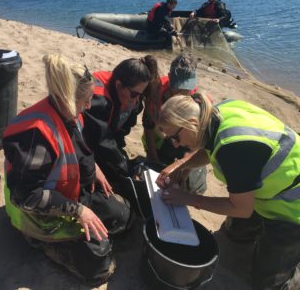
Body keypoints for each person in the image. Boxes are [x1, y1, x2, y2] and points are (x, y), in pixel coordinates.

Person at [2, 54, 131, 285]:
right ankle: (39, 241)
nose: (89, 106)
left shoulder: (70, 111)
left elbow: (77, 148)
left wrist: (96, 169)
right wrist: (79, 211)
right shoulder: (35, 135)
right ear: (67, 97)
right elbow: (26, 195)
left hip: (71, 194)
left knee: (122, 217)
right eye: (86, 100)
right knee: (99, 262)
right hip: (37, 212)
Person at [155, 93, 300, 290]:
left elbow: (242, 209)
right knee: (235, 234)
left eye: (175, 137)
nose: (175, 144)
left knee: (268, 284)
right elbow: (209, 149)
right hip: (266, 192)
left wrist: (188, 198)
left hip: (292, 206)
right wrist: (180, 165)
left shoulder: (234, 148)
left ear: (191, 123)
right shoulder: (215, 113)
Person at [142, 53, 206, 194]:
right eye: (177, 88)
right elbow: (148, 126)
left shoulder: (200, 103)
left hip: (188, 142)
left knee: (193, 187)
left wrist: (182, 167)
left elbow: (199, 146)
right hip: (162, 138)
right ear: (169, 76)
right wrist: (153, 158)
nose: (181, 93)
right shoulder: (157, 92)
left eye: (186, 89)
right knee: (155, 170)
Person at [82, 57, 153, 184]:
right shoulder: (97, 101)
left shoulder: (132, 100)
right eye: (135, 94)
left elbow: (119, 133)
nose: (137, 100)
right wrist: (125, 166)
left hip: (104, 141)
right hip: (86, 144)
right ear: (119, 85)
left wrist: (122, 158)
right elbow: (102, 141)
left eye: (141, 94)